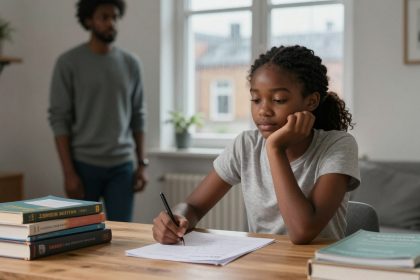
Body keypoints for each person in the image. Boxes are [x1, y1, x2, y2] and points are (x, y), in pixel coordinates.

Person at [153, 45, 360, 245]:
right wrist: (177, 218)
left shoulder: (338, 146)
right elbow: (193, 206)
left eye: (278, 100)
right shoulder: (246, 145)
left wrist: (274, 148)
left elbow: (302, 232)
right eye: (256, 99)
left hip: (317, 269)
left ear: (311, 101)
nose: (263, 111)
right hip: (262, 266)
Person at [48, 0, 147, 222]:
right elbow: (59, 120)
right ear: (88, 20)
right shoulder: (68, 63)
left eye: (114, 17)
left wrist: (141, 164)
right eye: (104, 17)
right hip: (83, 166)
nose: (111, 23)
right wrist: (68, 173)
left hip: (122, 167)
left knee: (122, 235)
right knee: (81, 236)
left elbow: (138, 115)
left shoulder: (131, 63)